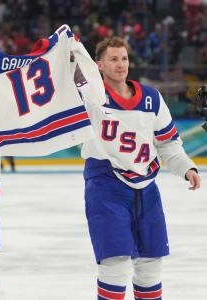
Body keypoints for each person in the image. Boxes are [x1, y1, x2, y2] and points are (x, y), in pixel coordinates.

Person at [80, 36, 201, 300]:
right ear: (99, 65)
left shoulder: (151, 98)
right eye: (113, 59)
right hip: (105, 186)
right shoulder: (89, 98)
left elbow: (168, 144)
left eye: (123, 58)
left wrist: (186, 168)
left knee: (150, 266)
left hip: (147, 190)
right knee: (115, 266)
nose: (120, 64)